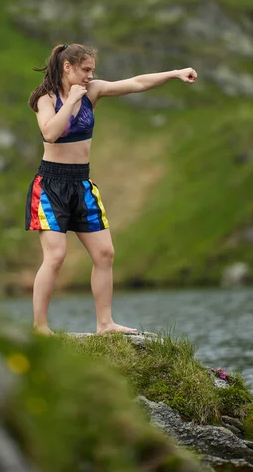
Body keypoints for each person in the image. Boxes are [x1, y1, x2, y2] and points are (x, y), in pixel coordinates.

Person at [26, 43, 197, 335]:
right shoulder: (47, 99)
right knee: (55, 257)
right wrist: (70, 102)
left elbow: (135, 83)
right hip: (51, 185)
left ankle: (105, 324)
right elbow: (50, 134)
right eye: (86, 70)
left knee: (105, 254)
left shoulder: (92, 91)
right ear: (68, 67)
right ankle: (40, 327)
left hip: (81, 183)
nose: (91, 76)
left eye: (93, 70)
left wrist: (175, 73)